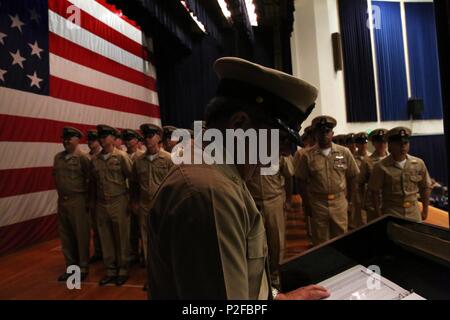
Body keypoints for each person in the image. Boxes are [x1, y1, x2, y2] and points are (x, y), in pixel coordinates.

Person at [146, 57, 330, 300]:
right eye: (281, 139)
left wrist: (278, 298)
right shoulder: (210, 192)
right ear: (239, 124)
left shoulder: (217, 172)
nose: (286, 152)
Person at [296, 116, 359, 245]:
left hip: (339, 201)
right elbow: (301, 180)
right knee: (320, 240)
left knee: (342, 239)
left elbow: (353, 176)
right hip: (318, 203)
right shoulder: (307, 156)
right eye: (320, 132)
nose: (324, 135)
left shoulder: (344, 152)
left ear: (332, 133)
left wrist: (350, 201)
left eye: (327, 132)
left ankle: (341, 265)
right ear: (315, 135)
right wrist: (307, 204)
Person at [130, 124, 174, 290]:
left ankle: (167, 276)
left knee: (165, 242)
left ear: (158, 138)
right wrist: (134, 201)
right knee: (147, 243)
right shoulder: (138, 161)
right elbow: (133, 183)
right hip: (145, 206)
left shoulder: (169, 159)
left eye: (151, 136)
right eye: (145, 136)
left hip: (164, 207)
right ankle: (152, 277)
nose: (147, 139)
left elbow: (175, 184)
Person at [90, 125, 133, 286]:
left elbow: (132, 179)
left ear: (113, 138)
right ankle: (110, 270)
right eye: (100, 136)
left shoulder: (121, 157)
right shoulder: (95, 159)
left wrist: (131, 200)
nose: (102, 138)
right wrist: (93, 203)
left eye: (105, 136)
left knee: (121, 236)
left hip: (119, 200)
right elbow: (93, 183)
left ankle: (123, 270)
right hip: (102, 202)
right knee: (105, 237)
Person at [246, 154, 294, 290]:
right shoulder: (246, 152)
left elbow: (289, 176)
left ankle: (276, 278)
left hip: (274, 200)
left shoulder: (278, 153)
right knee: (255, 244)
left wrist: (289, 199)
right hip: (252, 202)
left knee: (277, 242)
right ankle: (261, 280)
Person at [368, 127, 432, 222]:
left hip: (413, 212)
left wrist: (425, 210)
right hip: (392, 213)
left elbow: (425, 187)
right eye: (398, 144)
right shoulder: (381, 166)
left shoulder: (418, 163)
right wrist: (378, 215)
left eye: (405, 143)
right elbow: (375, 192)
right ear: (390, 145)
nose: (403, 146)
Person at [53, 127, 91, 281]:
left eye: (70, 138)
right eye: (64, 138)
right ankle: (71, 268)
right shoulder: (58, 158)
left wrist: (88, 201)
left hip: (78, 200)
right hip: (63, 200)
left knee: (80, 236)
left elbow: (90, 181)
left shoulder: (83, 158)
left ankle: (83, 267)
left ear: (78, 140)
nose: (66, 141)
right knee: (66, 237)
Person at [122, 129, 146, 266]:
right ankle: (133, 254)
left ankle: (144, 253)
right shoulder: (122, 156)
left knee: (142, 229)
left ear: (137, 140)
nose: (128, 141)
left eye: (131, 138)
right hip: (125, 196)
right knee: (131, 229)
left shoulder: (141, 156)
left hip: (140, 197)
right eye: (126, 138)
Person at [364, 129, 389, 222]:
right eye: (379, 141)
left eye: (384, 141)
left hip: (390, 204)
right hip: (373, 205)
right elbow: (360, 184)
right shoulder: (367, 161)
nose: (382, 144)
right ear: (374, 143)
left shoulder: (393, 160)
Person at [86, 129, 103, 263]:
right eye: (89, 140)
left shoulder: (103, 157)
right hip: (92, 196)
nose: (90, 142)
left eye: (93, 140)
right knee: (95, 227)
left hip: (104, 196)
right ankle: (98, 251)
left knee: (105, 227)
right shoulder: (85, 157)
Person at [353, 132, 371, 227]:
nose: (363, 145)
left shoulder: (372, 158)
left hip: (371, 191)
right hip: (357, 192)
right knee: (360, 219)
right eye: (361, 143)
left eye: (365, 143)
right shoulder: (350, 157)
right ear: (356, 144)